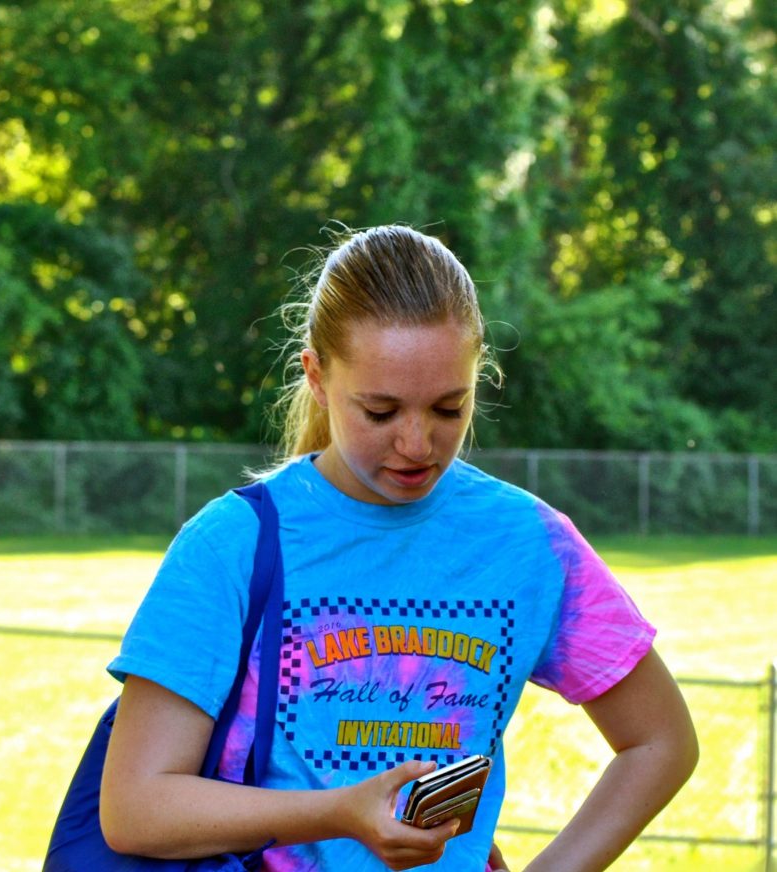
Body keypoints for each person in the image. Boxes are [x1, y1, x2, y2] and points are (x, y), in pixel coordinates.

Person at [99, 225, 698, 871]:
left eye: (448, 407)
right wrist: (338, 811)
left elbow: (660, 741)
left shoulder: (530, 542)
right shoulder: (233, 545)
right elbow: (136, 809)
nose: (417, 444)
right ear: (317, 376)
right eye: (380, 412)